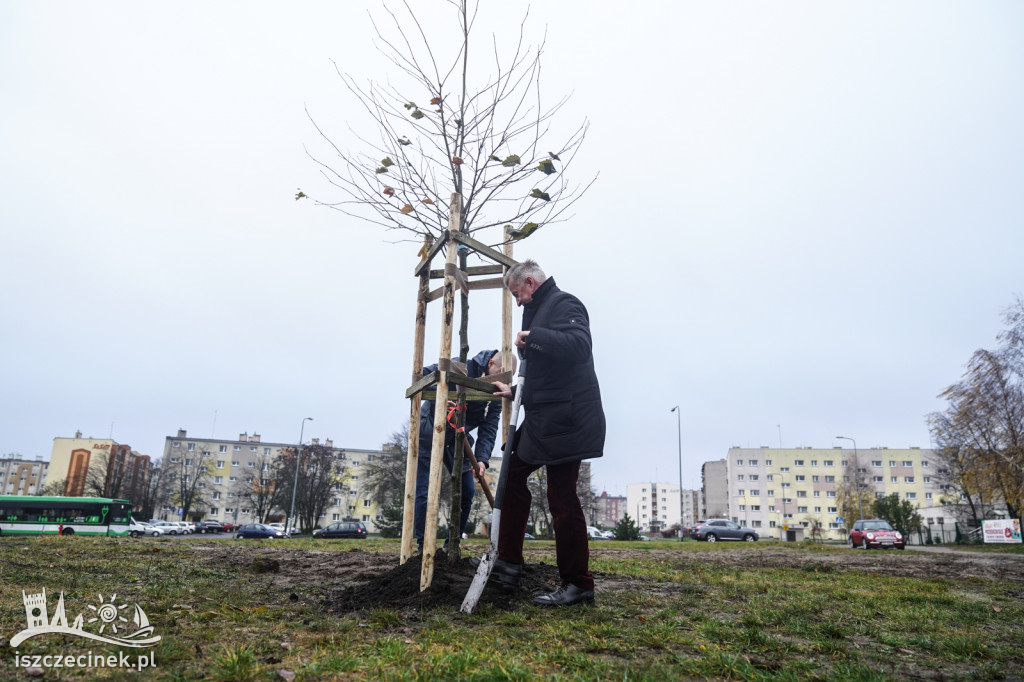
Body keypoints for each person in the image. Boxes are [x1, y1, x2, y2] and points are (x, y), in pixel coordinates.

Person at [491, 259, 606, 607]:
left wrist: (535, 337)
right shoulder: (538, 310)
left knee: (562, 499)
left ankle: (578, 584)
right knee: (510, 478)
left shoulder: (564, 303)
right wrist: (516, 392)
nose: (517, 301)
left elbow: (578, 346)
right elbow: (551, 370)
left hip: (567, 420)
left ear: (529, 281)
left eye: (517, 294)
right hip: (544, 416)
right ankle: (508, 563)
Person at [414, 348, 506, 552]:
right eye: (501, 372)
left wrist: (482, 459)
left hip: (458, 437)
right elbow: (422, 376)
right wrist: (438, 400)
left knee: (468, 490)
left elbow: (489, 428)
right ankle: (423, 548)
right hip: (431, 430)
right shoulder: (460, 365)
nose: (502, 380)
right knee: (425, 489)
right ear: (490, 364)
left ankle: (450, 546)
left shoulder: (497, 390)